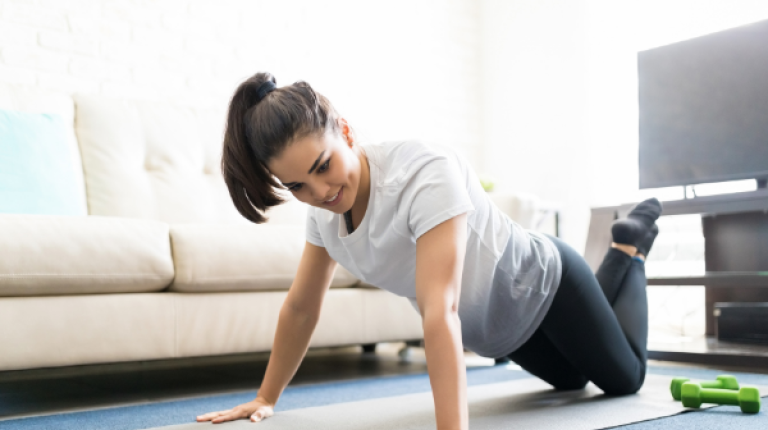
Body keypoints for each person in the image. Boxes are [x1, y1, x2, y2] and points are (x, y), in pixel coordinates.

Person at [195, 72, 662, 429]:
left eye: (324, 166)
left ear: (346, 131)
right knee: (572, 381)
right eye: (299, 185)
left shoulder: (423, 174)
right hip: (501, 333)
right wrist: (266, 396)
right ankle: (619, 262)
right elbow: (301, 307)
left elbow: (441, 310)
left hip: (544, 283)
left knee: (625, 381)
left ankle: (627, 247)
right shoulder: (323, 216)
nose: (321, 191)